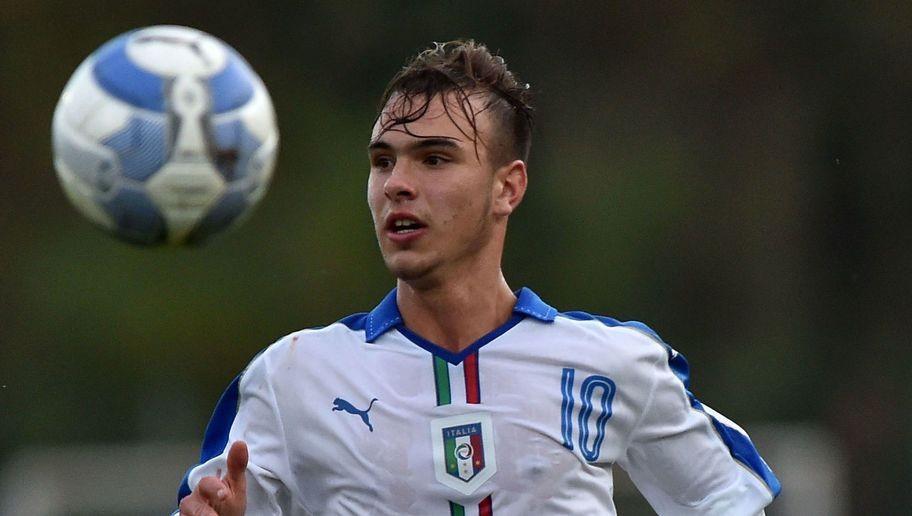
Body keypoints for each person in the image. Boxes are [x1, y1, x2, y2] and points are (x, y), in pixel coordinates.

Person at [176, 40, 781, 515]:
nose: (397, 185)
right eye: (383, 161)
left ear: (507, 187)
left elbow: (724, 497)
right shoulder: (293, 377)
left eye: (434, 159)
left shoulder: (617, 363)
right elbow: (209, 505)